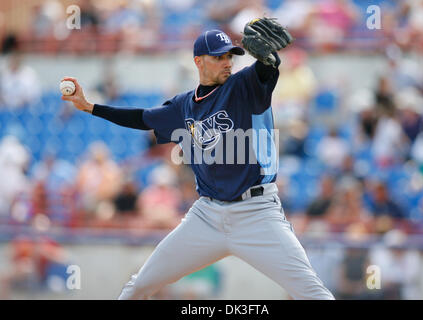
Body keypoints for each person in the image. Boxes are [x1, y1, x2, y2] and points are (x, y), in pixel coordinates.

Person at [61, 25, 334, 300]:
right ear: (198, 61)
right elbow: (141, 117)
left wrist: (269, 59)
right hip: (207, 216)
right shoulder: (184, 106)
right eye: (219, 57)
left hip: (257, 212)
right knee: (139, 287)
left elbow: (266, 70)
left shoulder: (243, 85)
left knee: (313, 293)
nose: (227, 62)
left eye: (231, 56)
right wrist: (90, 107)